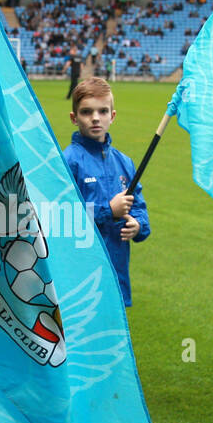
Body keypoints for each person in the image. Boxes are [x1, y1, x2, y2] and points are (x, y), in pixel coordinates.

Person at [62, 77, 149, 307]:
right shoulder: (68, 162)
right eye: (86, 112)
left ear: (113, 116)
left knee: (113, 333)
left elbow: (138, 206)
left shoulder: (124, 162)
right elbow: (61, 218)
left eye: (102, 111)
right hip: (81, 273)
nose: (95, 118)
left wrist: (138, 225)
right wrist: (108, 211)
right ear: (74, 118)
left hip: (116, 269)